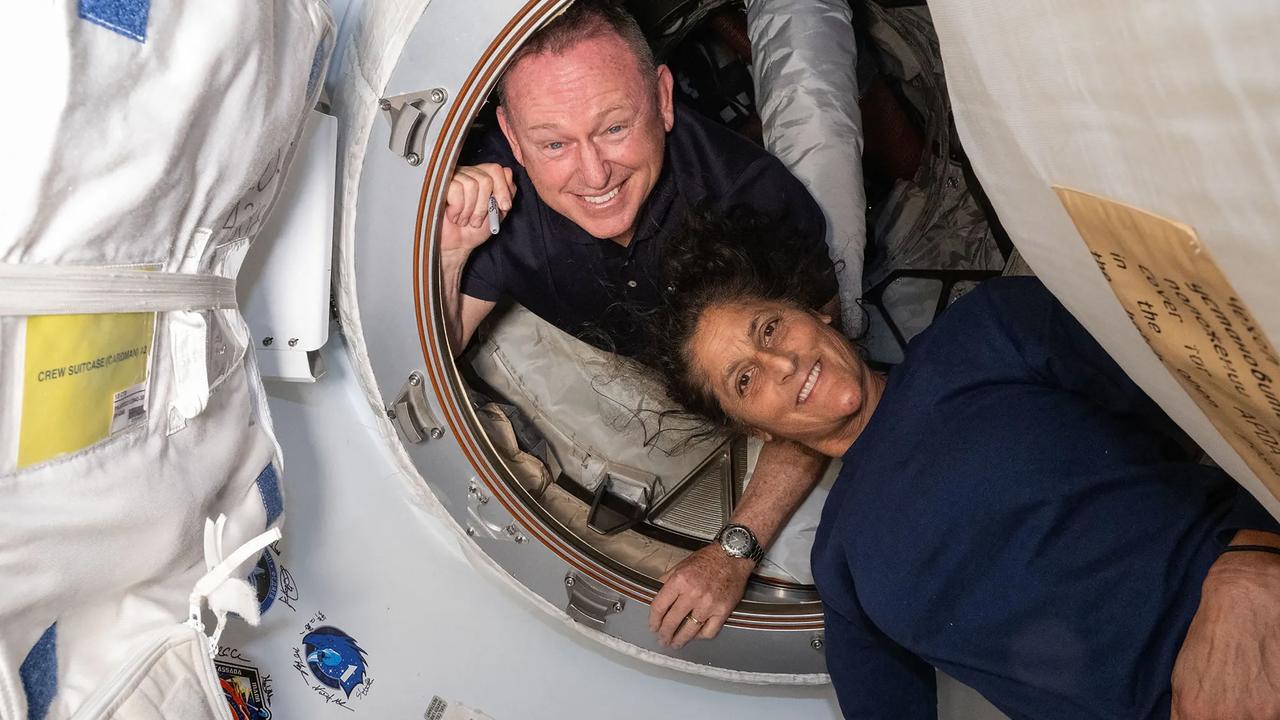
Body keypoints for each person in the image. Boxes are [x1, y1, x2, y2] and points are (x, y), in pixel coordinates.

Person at [641, 210, 1280, 718]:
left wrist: (1248, 570)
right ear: (752, 427)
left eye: (770, 329)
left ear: (814, 310)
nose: (783, 367)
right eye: (747, 379)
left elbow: (1229, 395)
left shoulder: (984, 334)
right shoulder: (839, 562)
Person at [438, 1, 840, 644]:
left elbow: (820, 390)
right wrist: (454, 248)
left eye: (615, 128)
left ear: (662, 98)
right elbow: (437, 350)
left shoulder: (752, 203)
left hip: (747, 367)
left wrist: (733, 549)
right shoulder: (499, 194)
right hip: (639, 363)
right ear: (513, 139)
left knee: (821, 125)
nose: (593, 174)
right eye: (553, 143)